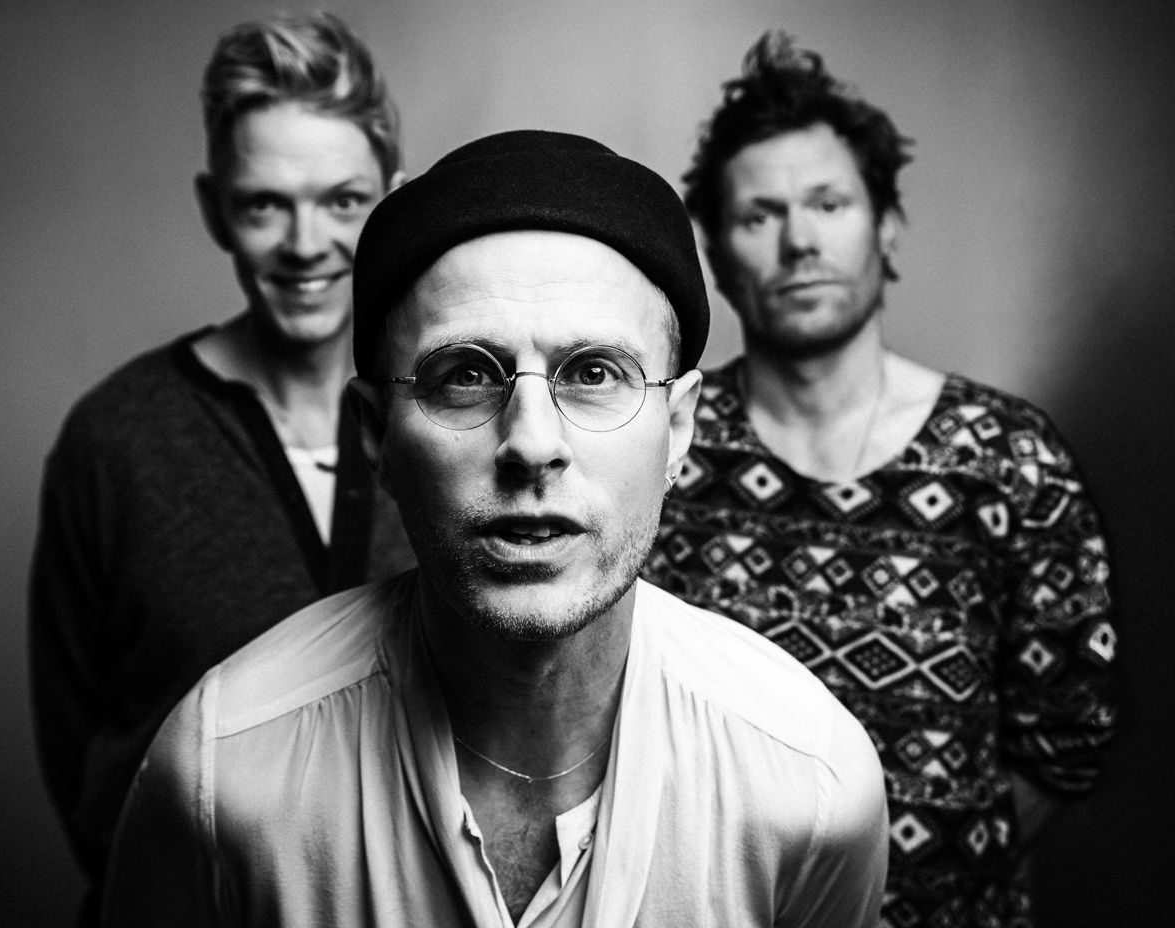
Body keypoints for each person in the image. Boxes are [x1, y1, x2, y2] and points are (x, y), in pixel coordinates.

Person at [101, 129, 889, 927]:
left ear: (678, 428)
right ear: (377, 434)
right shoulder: (221, 775)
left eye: (594, 373)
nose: (533, 445)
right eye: (466, 376)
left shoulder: (810, 786)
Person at [643, 32, 1119, 928]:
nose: (800, 241)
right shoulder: (664, 454)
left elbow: (1067, 739)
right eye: (760, 216)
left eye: (828, 203)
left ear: (887, 226)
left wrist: (918, 882)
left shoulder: (1009, 460)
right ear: (717, 254)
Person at [28, 13, 414, 920]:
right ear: (214, 210)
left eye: (344, 201)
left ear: (392, 204)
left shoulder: (452, 422)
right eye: (264, 204)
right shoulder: (117, 440)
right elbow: (77, 745)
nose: (306, 243)